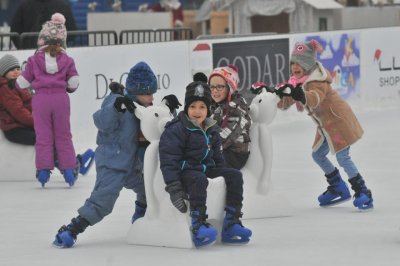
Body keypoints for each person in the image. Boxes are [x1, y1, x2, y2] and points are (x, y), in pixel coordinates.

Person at [52, 61, 180, 248]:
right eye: (147, 93)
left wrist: (170, 109)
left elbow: (159, 126)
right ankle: (72, 229)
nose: (151, 97)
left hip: (134, 166)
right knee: (103, 201)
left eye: (153, 93)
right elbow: (101, 121)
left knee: (148, 190)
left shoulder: (145, 108)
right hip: (113, 164)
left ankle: (140, 216)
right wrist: (115, 109)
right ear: (135, 91)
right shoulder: (117, 102)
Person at [276, 39, 373, 210]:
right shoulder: (297, 82)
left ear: (307, 64)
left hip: (338, 122)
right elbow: (284, 103)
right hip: (325, 126)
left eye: (299, 63)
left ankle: (363, 191)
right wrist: (272, 94)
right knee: (318, 155)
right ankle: (338, 187)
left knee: (343, 158)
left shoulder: (317, 81)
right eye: (293, 64)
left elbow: (314, 98)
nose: (295, 67)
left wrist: (301, 95)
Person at [159, 81, 252, 247]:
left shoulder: (211, 128)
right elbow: (169, 159)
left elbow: (218, 157)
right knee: (198, 179)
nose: (197, 111)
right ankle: (198, 224)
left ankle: (231, 222)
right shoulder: (177, 128)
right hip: (186, 172)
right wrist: (174, 188)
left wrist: (223, 171)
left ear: (208, 109)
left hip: (206, 169)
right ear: (186, 108)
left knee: (235, 175)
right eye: (193, 106)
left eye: (202, 107)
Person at [0, 54, 94, 177]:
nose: (16, 72)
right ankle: (71, 165)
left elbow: (31, 104)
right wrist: (39, 122)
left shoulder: (17, 85)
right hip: (14, 129)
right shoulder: (5, 88)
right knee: (45, 138)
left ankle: (72, 162)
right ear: (3, 72)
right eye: (11, 70)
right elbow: (18, 112)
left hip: (23, 125)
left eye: (18, 69)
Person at [16, 13, 80, 187]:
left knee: (43, 136)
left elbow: (22, 83)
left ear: (41, 40)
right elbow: (74, 82)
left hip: (41, 100)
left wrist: (17, 82)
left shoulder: (33, 60)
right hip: (60, 99)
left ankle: (43, 172)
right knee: (64, 135)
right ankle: (68, 171)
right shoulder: (67, 60)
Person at [207, 65, 252, 170]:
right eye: (212, 86)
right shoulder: (214, 105)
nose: (214, 91)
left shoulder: (236, 108)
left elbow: (227, 136)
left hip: (234, 154)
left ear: (229, 87)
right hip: (220, 148)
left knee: (204, 166)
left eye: (219, 87)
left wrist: (205, 147)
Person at [10, 0, 77, 49]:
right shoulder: (63, 5)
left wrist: (22, 48)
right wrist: (60, 45)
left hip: (30, 51)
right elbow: (73, 31)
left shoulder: (24, 5)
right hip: (56, 52)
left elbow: (14, 30)